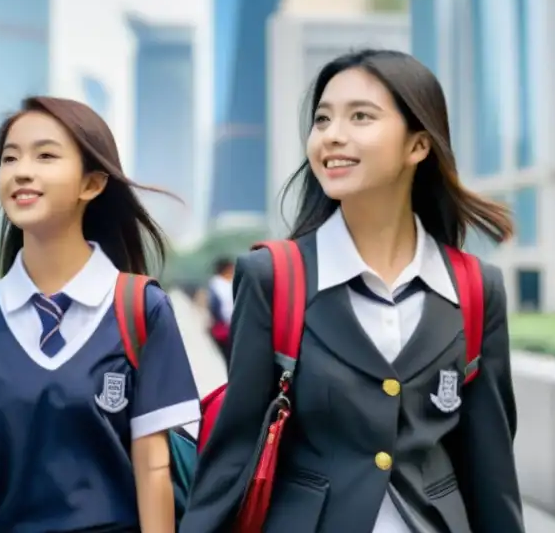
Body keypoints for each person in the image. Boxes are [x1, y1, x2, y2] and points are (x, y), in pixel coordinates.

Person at [181, 50, 524, 532]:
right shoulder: (273, 277)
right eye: (322, 119)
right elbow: (231, 458)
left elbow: (491, 470)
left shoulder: (474, 287)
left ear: (418, 146)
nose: (332, 135)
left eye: (360, 116)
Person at [0, 96, 201, 533]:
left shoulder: (141, 308)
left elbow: (153, 467)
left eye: (45, 155)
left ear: (92, 184)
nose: (22, 170)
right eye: (10, 158)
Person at [205, 257, 234, 365]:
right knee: (230, 358)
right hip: (225, 328)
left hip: (228, 326)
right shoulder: (219, 285)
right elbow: (215, 307)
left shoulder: (218, 284)